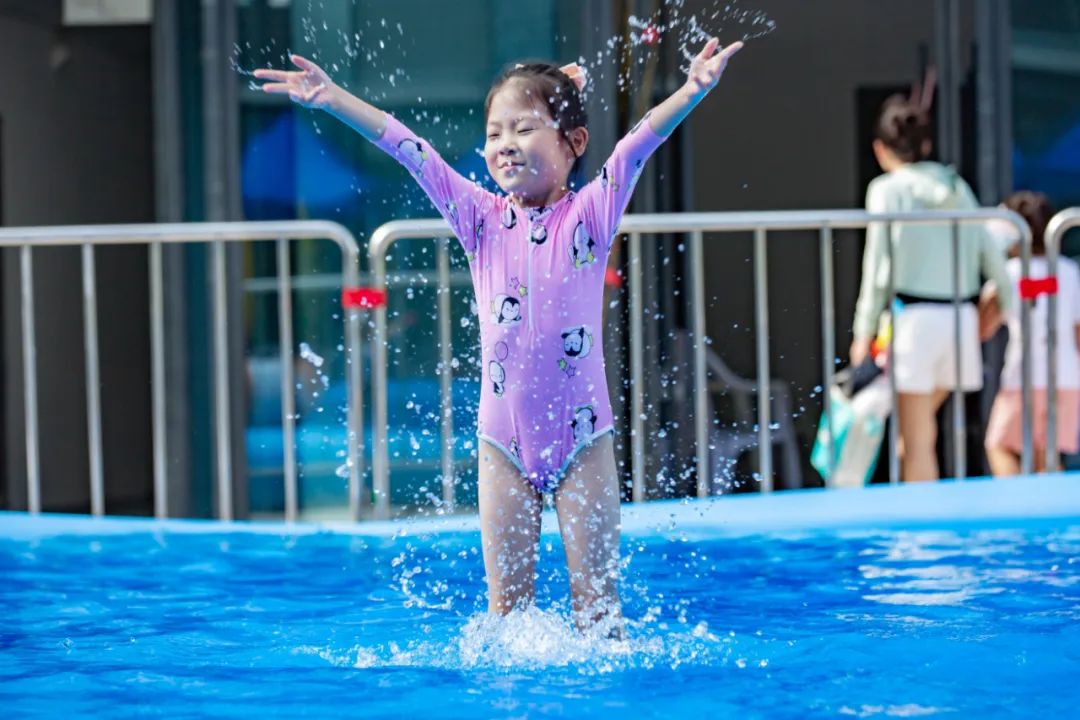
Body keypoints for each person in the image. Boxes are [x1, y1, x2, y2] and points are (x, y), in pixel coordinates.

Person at [255, 39, 743, 634]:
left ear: (574, 145)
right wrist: (332, 100)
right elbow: (412, 150)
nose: (504, 143)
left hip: (584, 443)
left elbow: (639, 144)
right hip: (502, 449)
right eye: (494, 132)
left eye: (525, 128)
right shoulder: (480, 219)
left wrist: (692, 91)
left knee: (601, 618)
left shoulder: (593, 211)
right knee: (506, 621)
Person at [849, 94, 1011, 482]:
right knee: (921, 435)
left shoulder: (886, 189)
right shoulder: (957, 186)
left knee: (917, 440)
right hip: (958, 319)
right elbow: (992, 256)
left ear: (880, 148)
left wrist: (863, 331)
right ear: (925, 144)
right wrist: (998, 309)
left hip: (915, 322)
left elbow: (878, 266)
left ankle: (923, 540)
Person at [984, 192, 1080, 475]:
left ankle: (1016, 508)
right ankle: (1052, 518)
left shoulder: (1009, 273)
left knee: (999, 444)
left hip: (1023, 375)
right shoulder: (1068, 270)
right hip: (1065, 376)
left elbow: (984, 328)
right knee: (1047, 459)